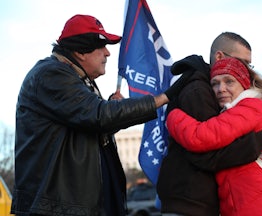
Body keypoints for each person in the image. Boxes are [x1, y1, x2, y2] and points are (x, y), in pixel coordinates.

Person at [11, 14, 187, 216]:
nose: (107, 53)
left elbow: (95, 122)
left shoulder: (77, 78)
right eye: (101, 46)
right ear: (80, 50)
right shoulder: (51, 74)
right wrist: (162, 98)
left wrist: (113, 109)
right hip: (58, 209)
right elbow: (98, 115)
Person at [157, 32, 262, 215]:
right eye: (243, 62)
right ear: (220, 57)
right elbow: (208, 152)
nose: (248, 69)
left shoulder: (233, 101)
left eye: (249, 64)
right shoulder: (199, 91)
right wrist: (261, 139)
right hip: (191, 201)